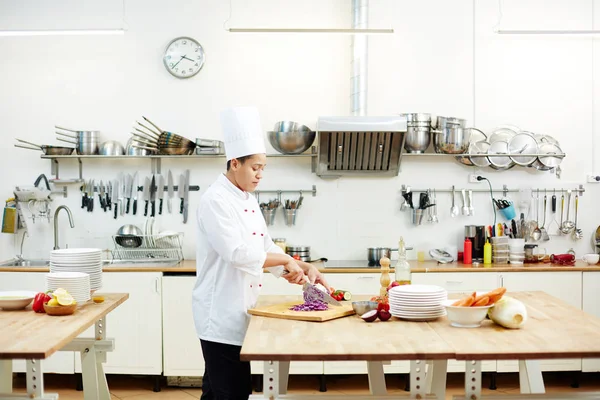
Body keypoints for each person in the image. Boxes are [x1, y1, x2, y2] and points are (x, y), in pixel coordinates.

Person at [192, 106, 331, 400]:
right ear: (234, 164)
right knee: (230, 392)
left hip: (243, 310)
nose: (260, 174)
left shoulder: (249, 200)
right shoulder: (215, 201)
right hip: (220, 314)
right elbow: (237, 253)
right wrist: (286, 261)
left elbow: (264, 247)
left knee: (221, 391)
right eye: (255, 167)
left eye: (263, 168)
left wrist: (299, 268)